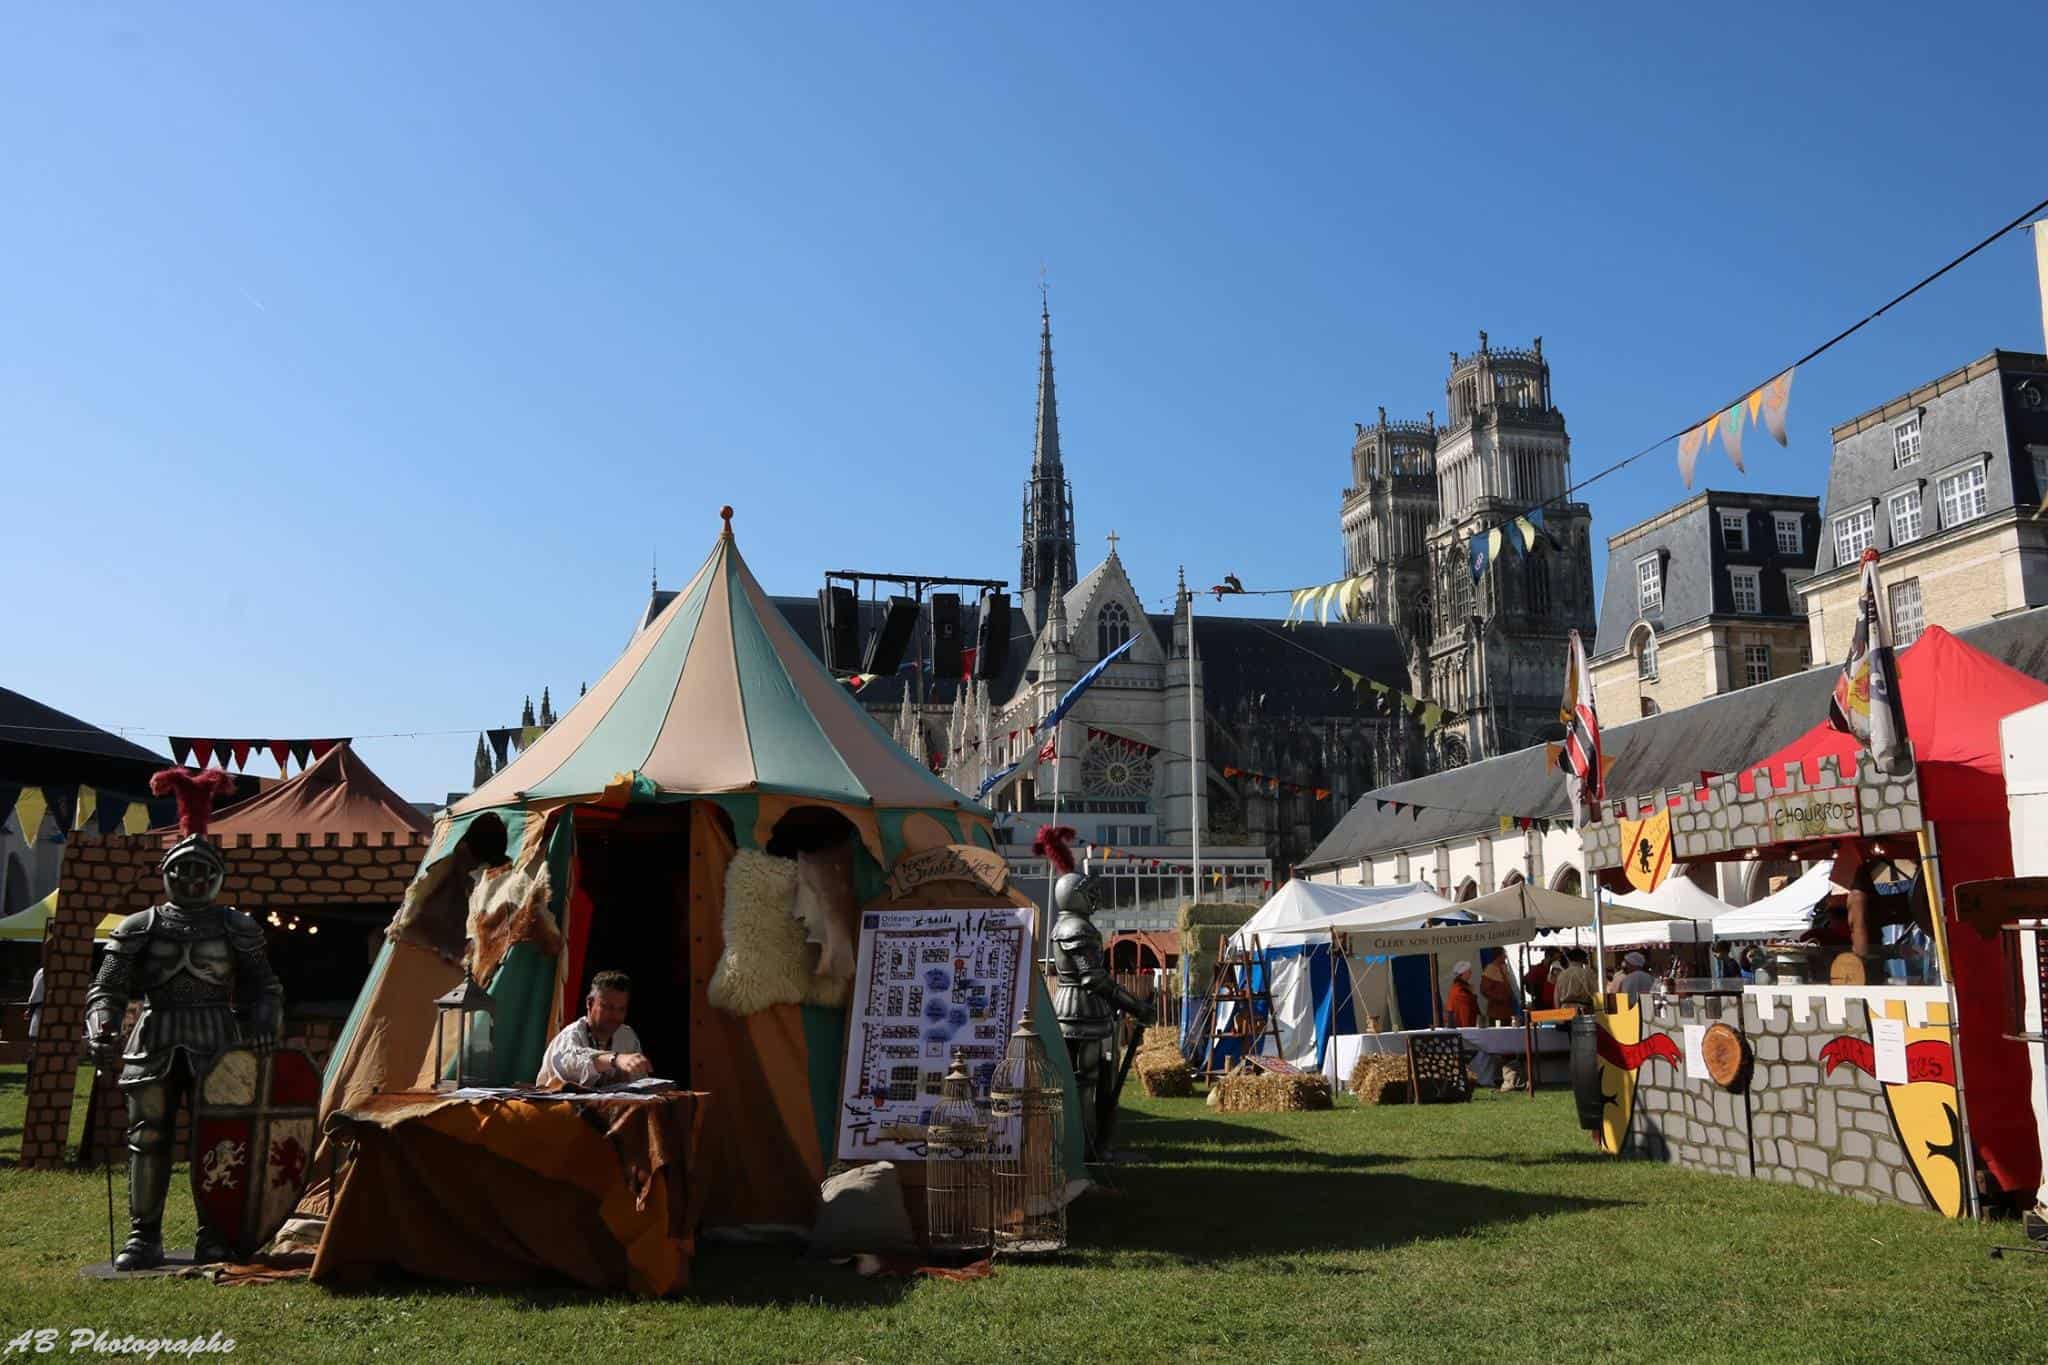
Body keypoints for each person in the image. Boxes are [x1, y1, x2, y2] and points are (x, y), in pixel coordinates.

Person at [85, 767, 283, 1270]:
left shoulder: (235, 926)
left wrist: (263, 1023)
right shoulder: (139, 926)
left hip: (218, 1039)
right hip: (155, 1032)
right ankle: (143, 1236)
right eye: (183, 870)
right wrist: (102, 1024)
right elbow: (107, 987)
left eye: (201, 872)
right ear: (167, 872)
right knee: (147, 1136)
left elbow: (265, 984)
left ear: (216, 876)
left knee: (215, 1141)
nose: (192, 879)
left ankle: (213, 1234)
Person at [538, 970, 654, 1088]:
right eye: (608, 1007)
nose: (615, 1015)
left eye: (621, 1009)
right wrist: (615, 1059)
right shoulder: (570, 1035)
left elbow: (639, 1083)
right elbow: (571, 1065)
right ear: (589, 1003)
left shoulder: (627, 1036)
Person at [1479, 953, 1516, 1025]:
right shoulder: (1490, 969)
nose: (1505, 956)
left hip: (1507, 1009)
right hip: (1496, 1011)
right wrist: (1498, 998)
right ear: (1498, 956)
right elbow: (1484, 990)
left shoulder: (1503, 967)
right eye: (1503, 954)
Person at [1445, 961, 1481, 1028]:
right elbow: (1464, 1013)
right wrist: (1467, 1029)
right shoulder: (1460, 990)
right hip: (1462, 1026)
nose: (1471, 973)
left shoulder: (1458, 987)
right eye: (1469, 971)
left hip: (1462, 1025)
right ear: (1463, 974)